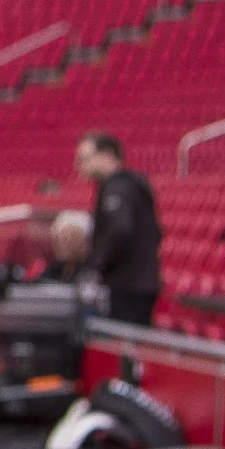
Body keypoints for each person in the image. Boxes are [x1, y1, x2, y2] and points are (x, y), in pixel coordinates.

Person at [77, 132, 163, 325]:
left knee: (124, 346)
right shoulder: (131, 186)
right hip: (138, 283)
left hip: (128, 286)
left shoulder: (119, 188)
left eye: (85, 159)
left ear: (107, 155)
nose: (80, 166)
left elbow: (120, 228)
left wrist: (95, 265)